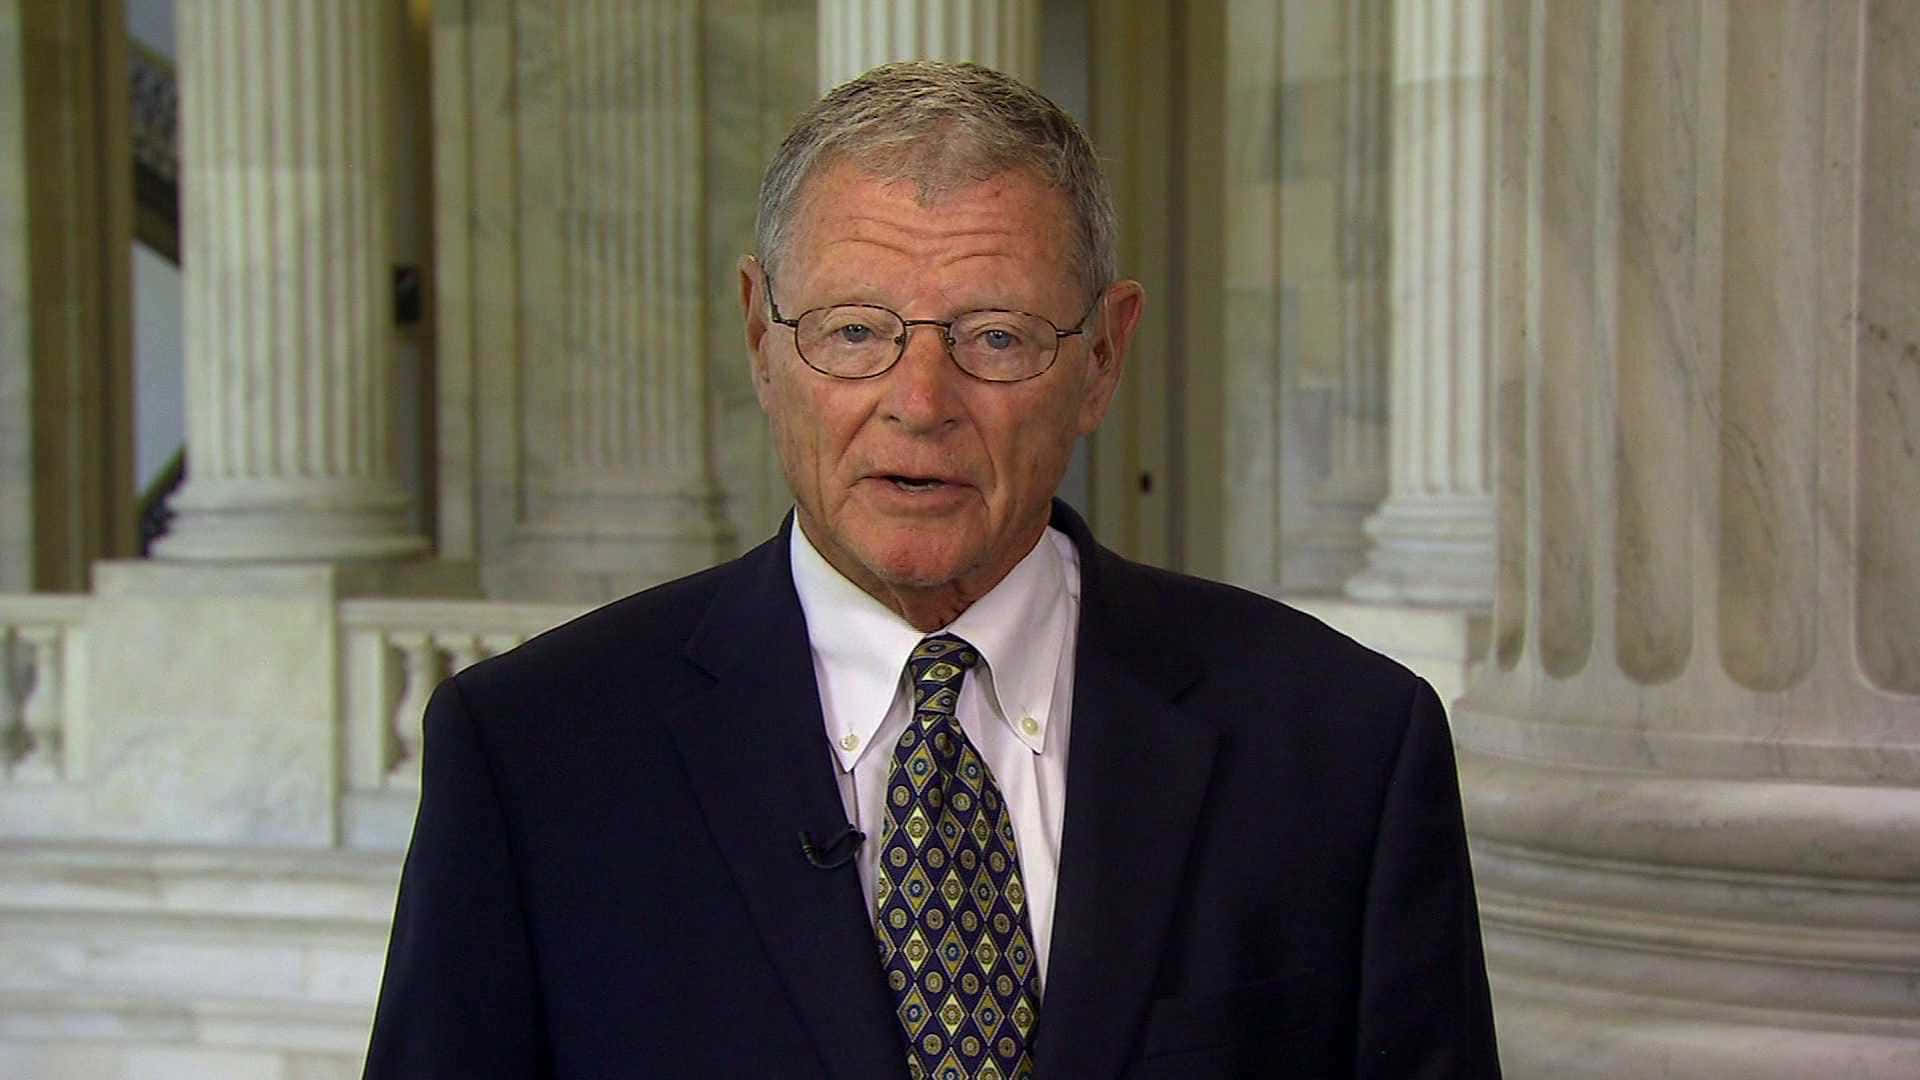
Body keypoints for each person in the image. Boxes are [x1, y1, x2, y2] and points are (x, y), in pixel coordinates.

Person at [363, 60, 1499, 1079]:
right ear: (763, 337)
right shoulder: (534, 758)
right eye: (855, 331)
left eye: (995, 335)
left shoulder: (1345, 747)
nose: (918, 403)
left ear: (1102, 357)